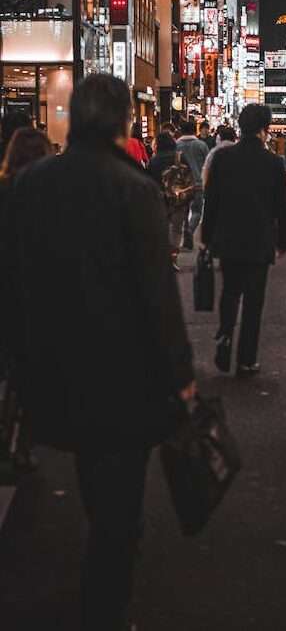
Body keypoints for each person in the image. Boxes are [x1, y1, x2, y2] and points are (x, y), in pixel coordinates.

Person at [3, 74, 195, 631]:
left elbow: (11, 277)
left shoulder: (29, 186)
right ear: (122, 122)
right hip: (123, 370)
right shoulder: (133, 188)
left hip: (52, 362)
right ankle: (103, 608)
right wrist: (180, 373)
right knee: (120, 509)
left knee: (91, 472)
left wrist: (16, 352)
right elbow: (157, 294)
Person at [202, 104, 286, 377]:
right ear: (265, 130)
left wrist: (207, 237)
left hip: (228, 238)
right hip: (259, 240)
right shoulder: (274, 163)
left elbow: (212, 201)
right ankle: (246, 359)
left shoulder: (223, 158)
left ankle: (225, 335)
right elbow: (282, 207)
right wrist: (283, 241)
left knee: (230, 293)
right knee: (253, 302)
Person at [0, 128, 53, 470]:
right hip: (34, 291)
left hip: (5, 284)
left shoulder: (4, 189)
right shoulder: (47, 196)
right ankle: (18, 438)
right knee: (27, 370)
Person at [148, 131, 189, 269]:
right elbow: (188, 176)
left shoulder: (154, 160)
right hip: (179, 199)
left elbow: (150, 181)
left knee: (163, 228)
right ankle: (173, 257)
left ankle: (163, 257)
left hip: (161, 199)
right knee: (177, 229)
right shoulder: (180, 156)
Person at [177, 118, 209, 249]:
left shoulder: (176, 145)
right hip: (198, 182)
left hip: (181, 185)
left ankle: (186, 231)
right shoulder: (201, 145)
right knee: (197, 211)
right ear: (195, 130)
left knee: (183, 211)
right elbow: (208, 164)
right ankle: (190, 230)